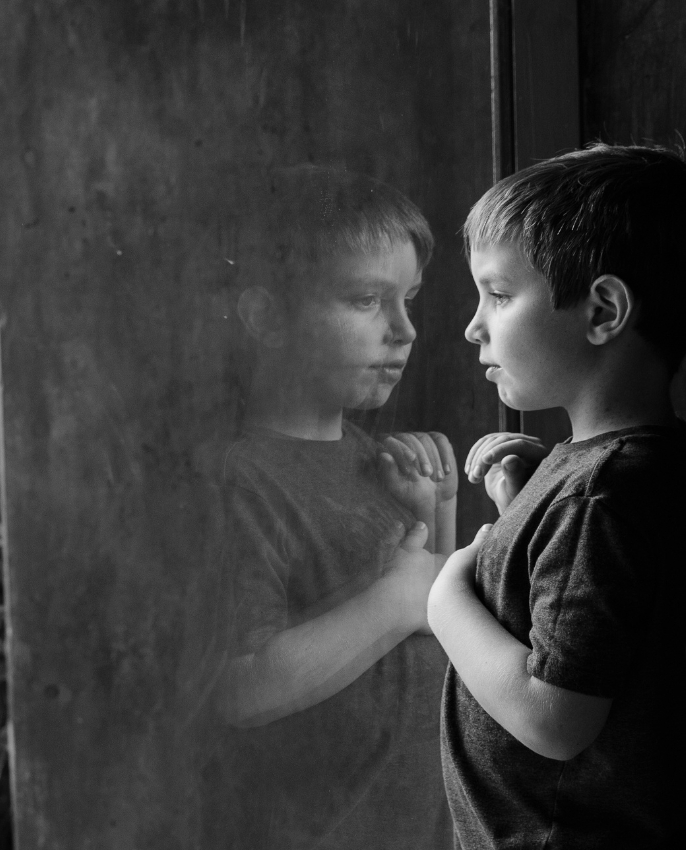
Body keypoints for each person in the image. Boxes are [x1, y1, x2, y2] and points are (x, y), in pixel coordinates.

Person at [427, 144, 686, 849]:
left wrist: (444, 598)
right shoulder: (638, 461)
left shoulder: (603, 492)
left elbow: (556, 718)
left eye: (498, 295)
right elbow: (577, 604)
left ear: (604, 310)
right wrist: (525, 508)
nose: (474, 325)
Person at [193, 164, 456, 849]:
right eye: (366, 300)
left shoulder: (380, 461)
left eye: (409, 300)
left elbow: (435, 625)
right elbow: (240, 688)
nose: (404, 331)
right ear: (267, 315)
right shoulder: (240, 478)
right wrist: (393, 602)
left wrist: (436, 510)